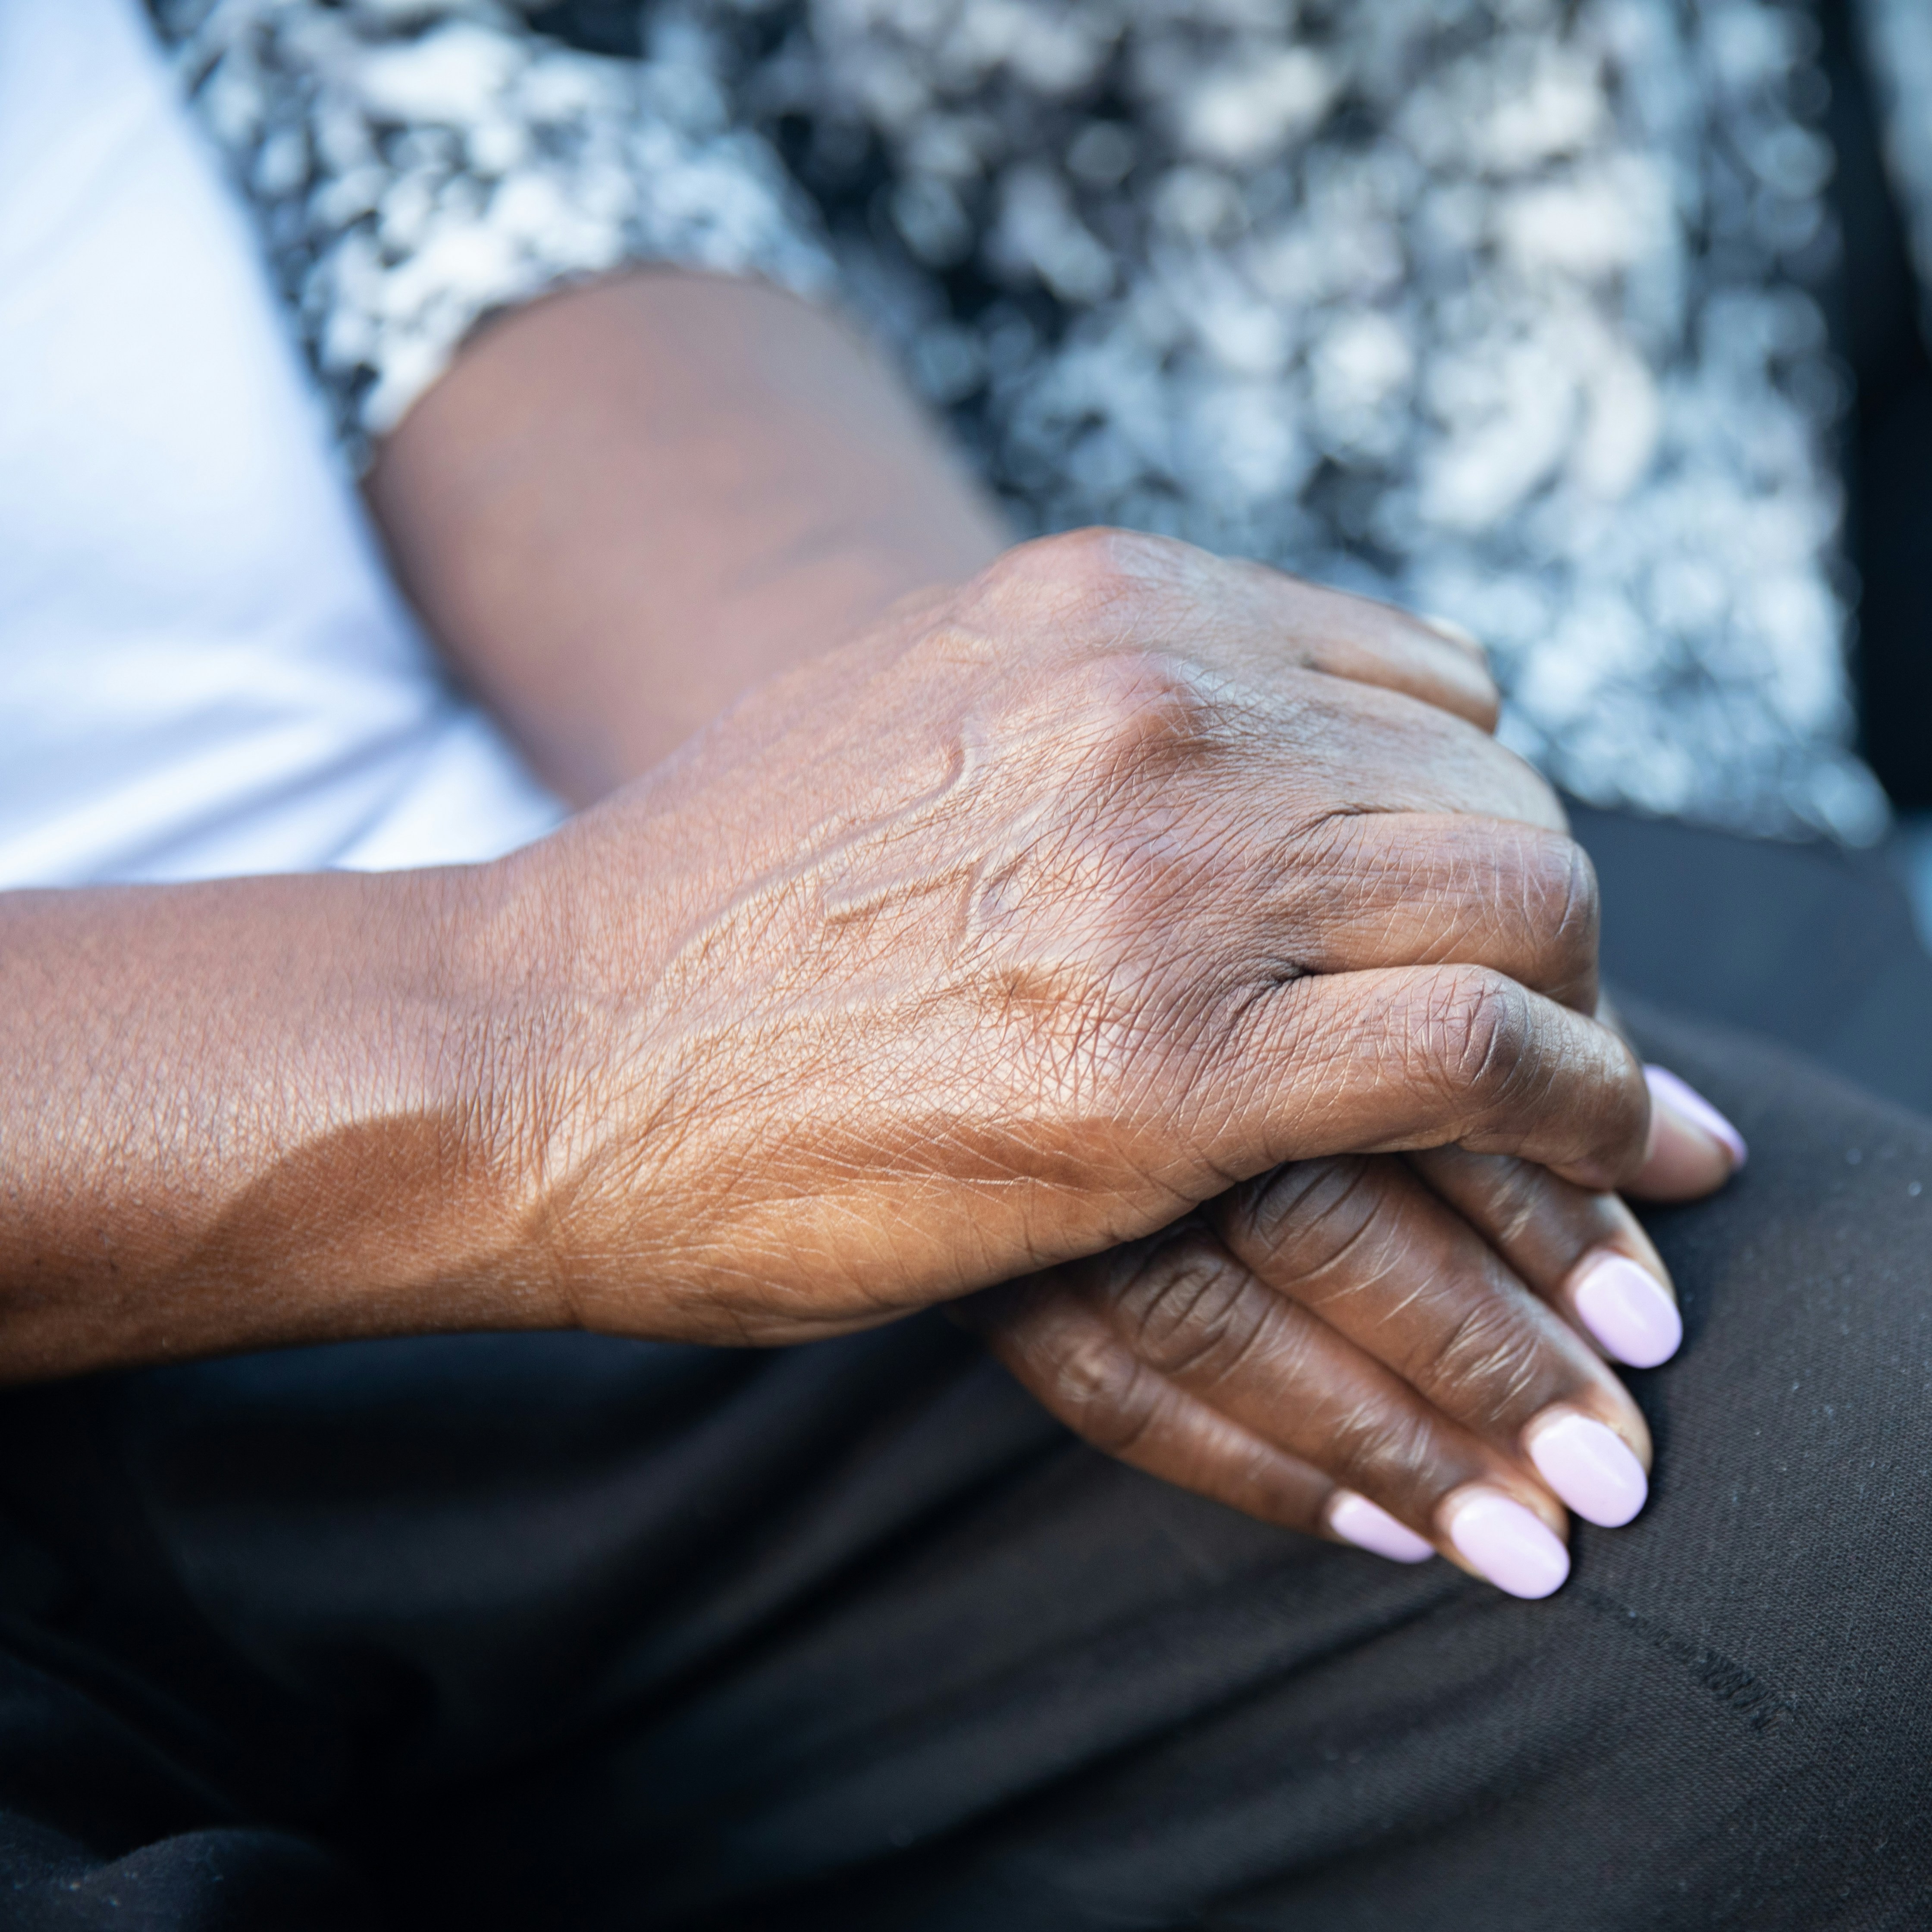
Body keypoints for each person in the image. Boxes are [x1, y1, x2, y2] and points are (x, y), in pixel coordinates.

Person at [0, 1, 1928, 1926]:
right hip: (247, 1119)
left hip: (590, 892)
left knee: (1855, 1529)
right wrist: (541, 1027)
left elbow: (440, 90)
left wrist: (949, 835)